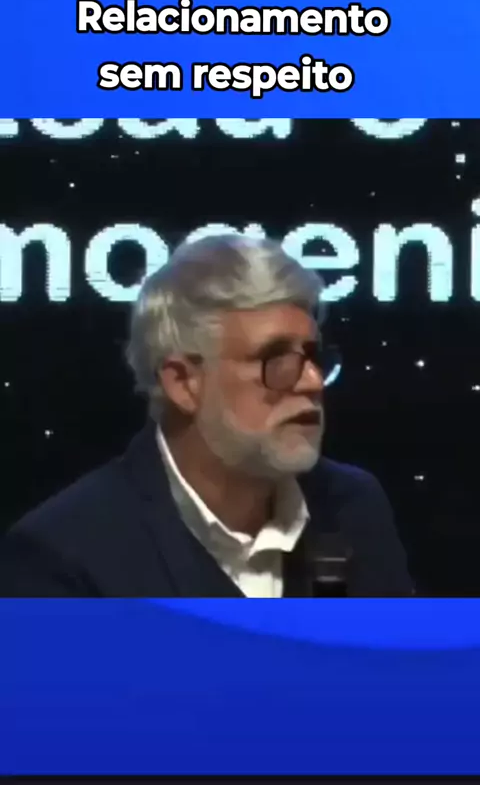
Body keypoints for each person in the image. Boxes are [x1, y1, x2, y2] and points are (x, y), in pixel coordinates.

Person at [0, 235, 414, 597]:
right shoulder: (65, 555)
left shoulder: (353, 506)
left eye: (312, 356)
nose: (313, 381)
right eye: (276, 359)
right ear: (183, 383)